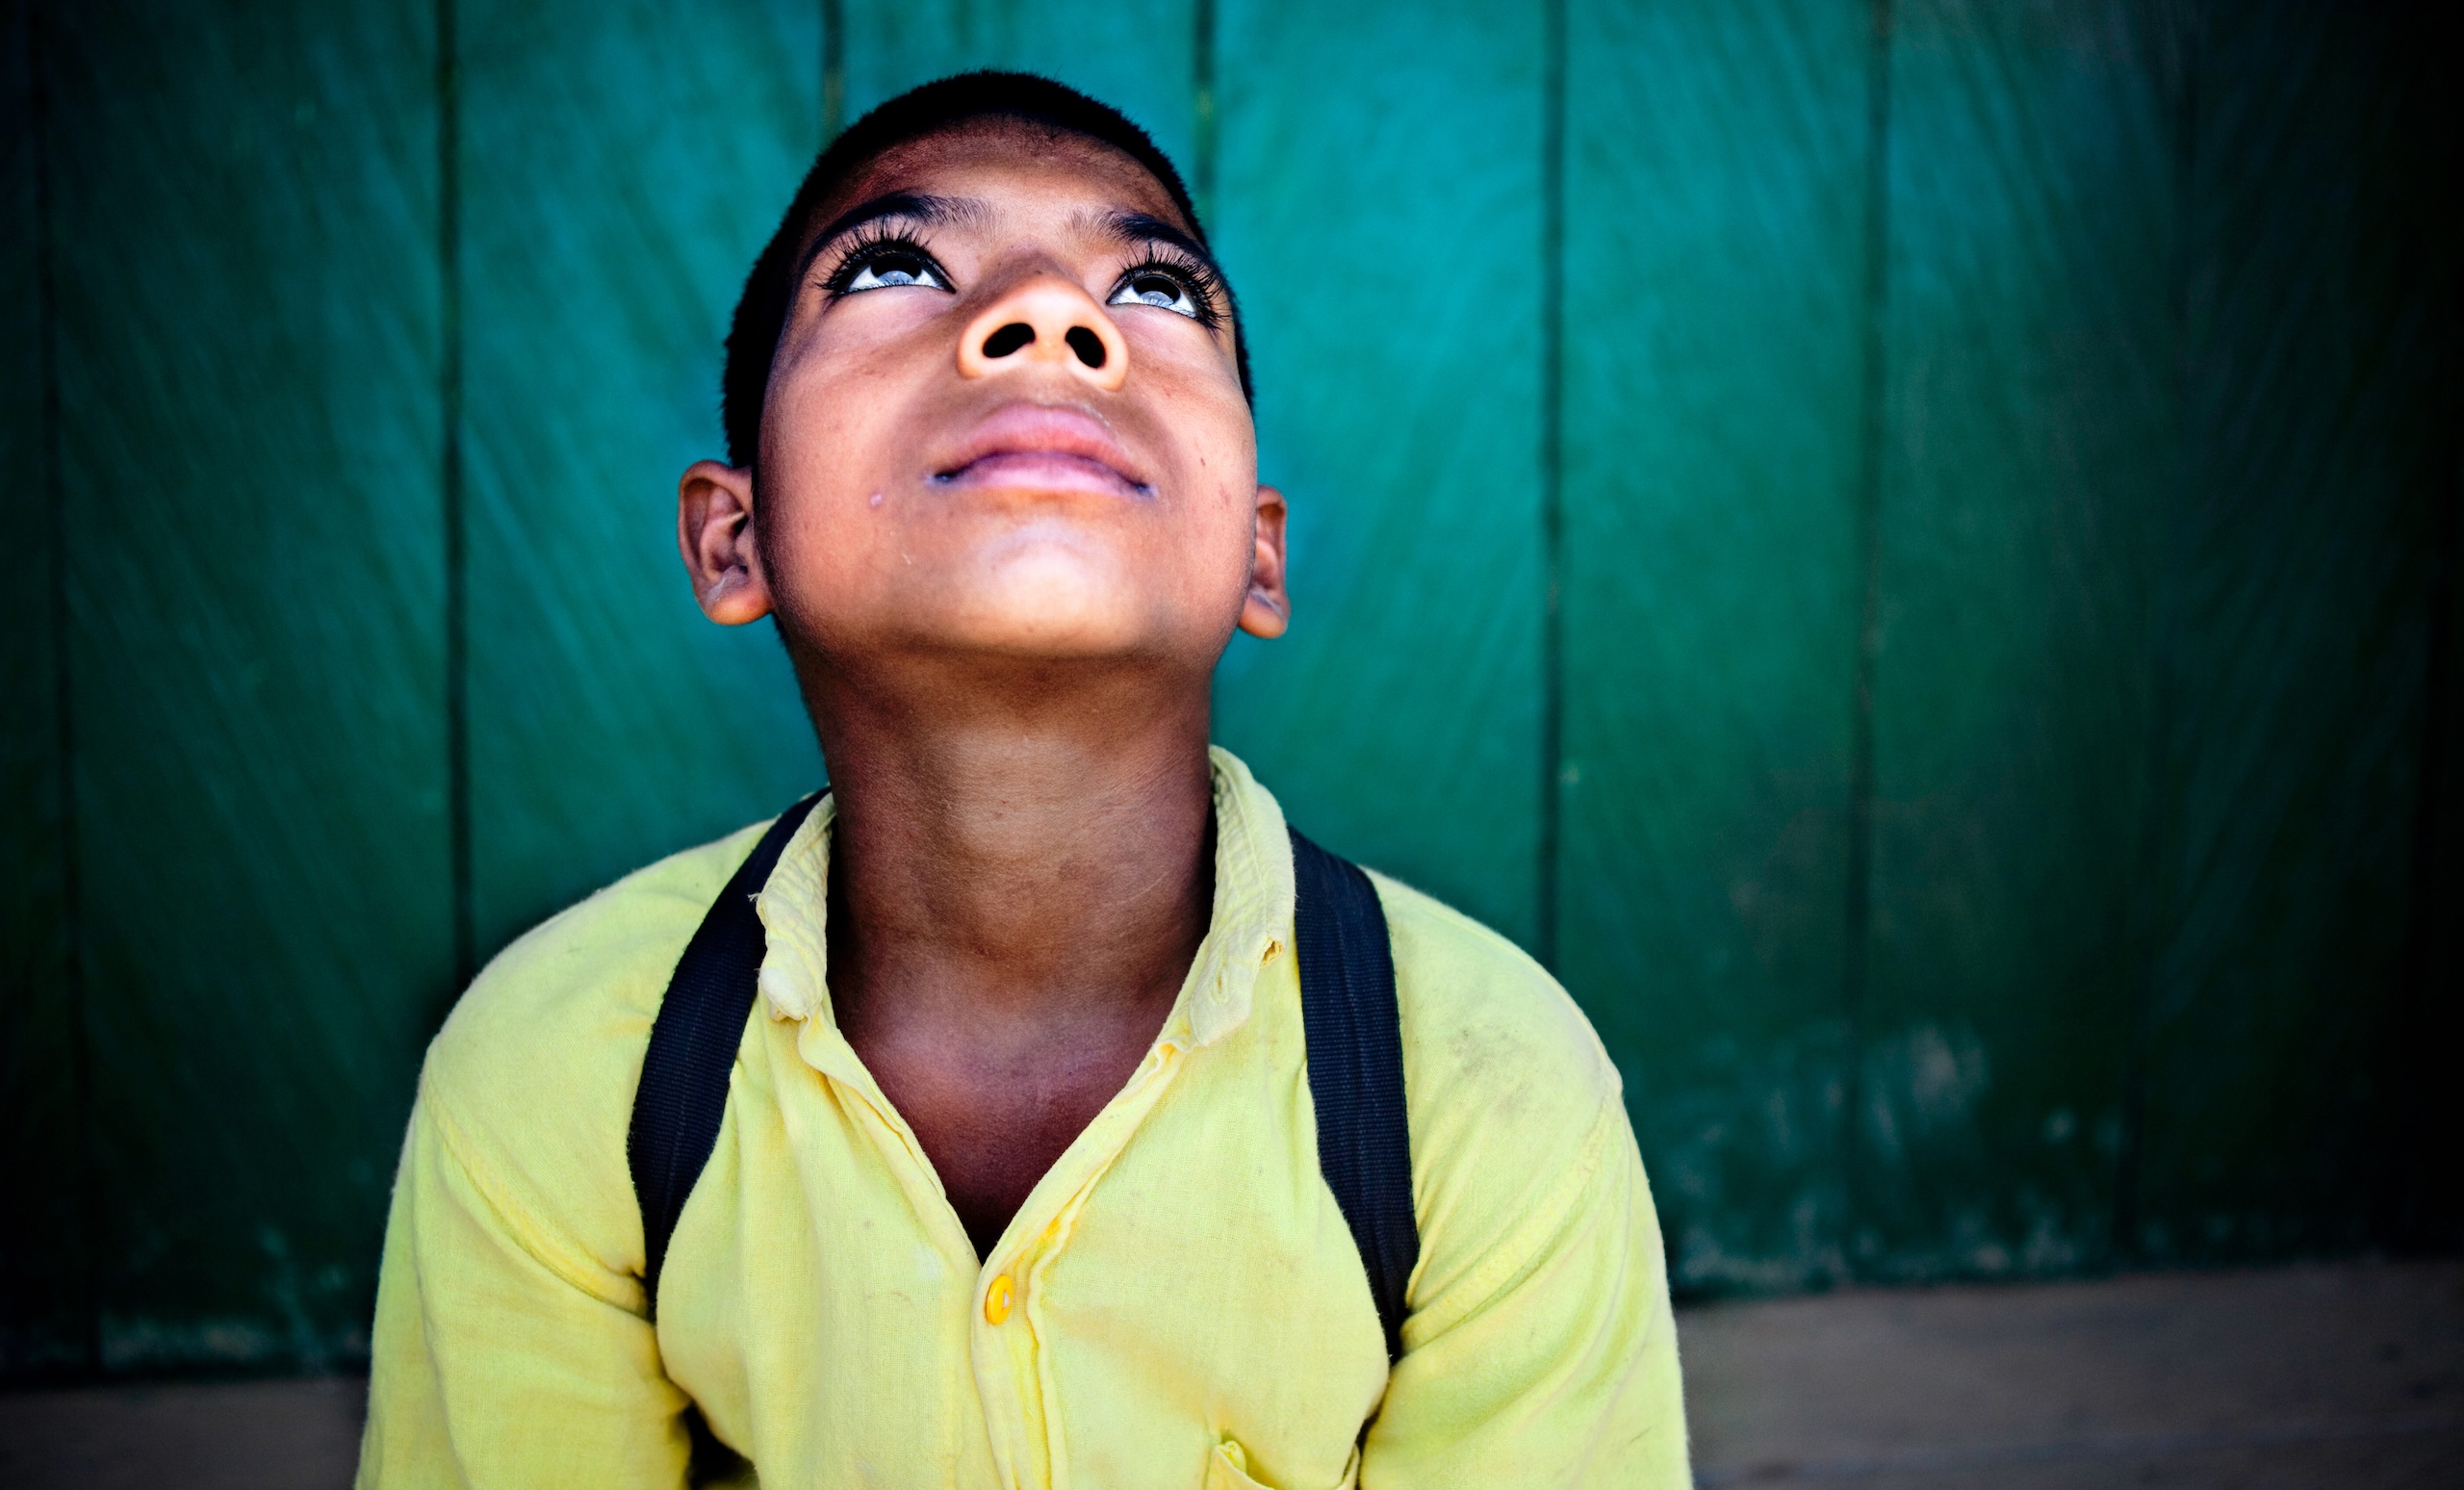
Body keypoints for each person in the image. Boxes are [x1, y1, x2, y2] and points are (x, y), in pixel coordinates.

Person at [357, 71, 1687, 1489]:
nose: (1053, 315)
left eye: (1158, 294)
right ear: (731, 540)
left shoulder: (1484, 1096)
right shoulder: (565, 1076)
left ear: (1258, 551)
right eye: (892, 267)